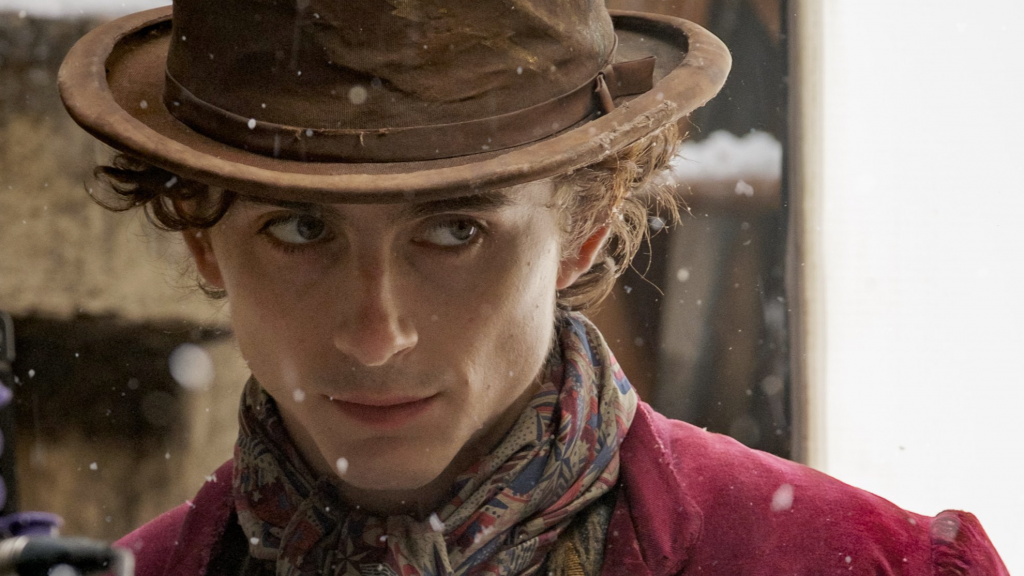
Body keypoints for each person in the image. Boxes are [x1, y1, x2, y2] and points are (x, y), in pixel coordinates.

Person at [57, 0, 1008, 574]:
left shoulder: (859, 567)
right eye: (301, 229)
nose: (377, 333)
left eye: (455, 231)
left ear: (583, 227)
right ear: (203, 237)